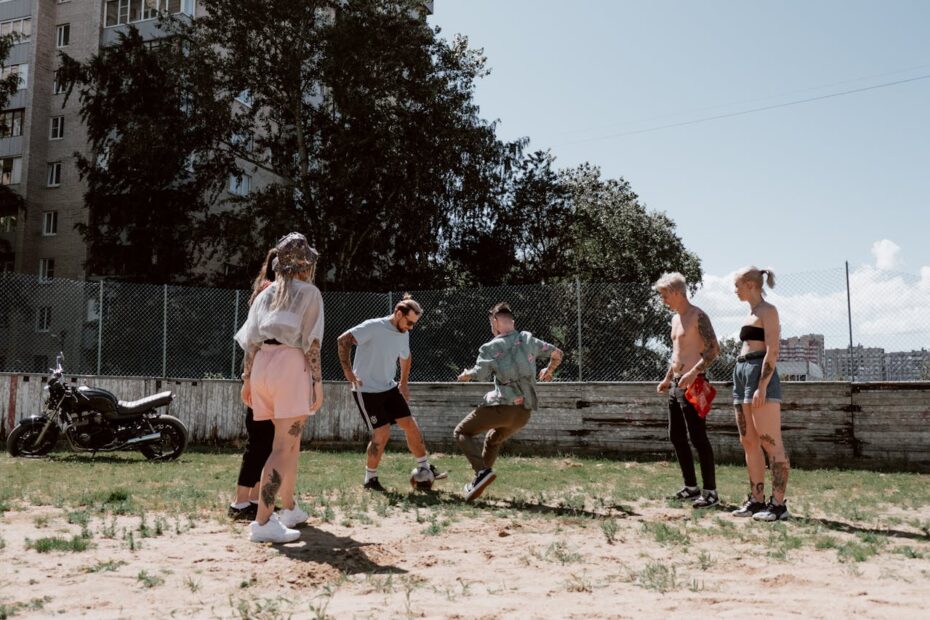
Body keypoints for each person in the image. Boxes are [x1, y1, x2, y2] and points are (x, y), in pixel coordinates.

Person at [235, 232, 325, 543]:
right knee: (282, 447)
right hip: (289, 366)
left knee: (290, 443)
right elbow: (312, 345)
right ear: (306, 265)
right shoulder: (309, 294)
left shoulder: (264, 294)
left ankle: (289, 508)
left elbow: (251, 342)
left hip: (262, 368)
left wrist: (247, 379)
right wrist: (317, 382)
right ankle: (263, 522)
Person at [455, 302, 562, 502]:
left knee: (461, 432)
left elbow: (480, 373)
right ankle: (479, 481)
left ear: (495, 322)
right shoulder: (529, 339)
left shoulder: (490, 347)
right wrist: (549, 370)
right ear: (511, 321)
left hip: (502, 407)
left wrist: (465, 375)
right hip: (523, 413)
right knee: (493, 439)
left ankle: (481, 473)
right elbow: (558, 354)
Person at [337, 294, 445, 492]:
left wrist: (403, 383)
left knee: (410, 425)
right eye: (409, 322)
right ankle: (370, 479)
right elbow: (343, 340)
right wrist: (347, 371)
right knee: (383, 431)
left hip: (389, 387)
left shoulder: (404, 332)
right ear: (398, 313)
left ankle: (424, 466)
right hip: (366, 389)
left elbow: (406, 356)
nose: (411, 327)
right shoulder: (373, 326)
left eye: (414, 324)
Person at [655, 272, 721, 509]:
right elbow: (677, 355)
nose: (663, 300)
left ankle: (711, 492)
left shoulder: (698, 316)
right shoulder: (675, 319)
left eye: (664, 296)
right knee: (676, 436)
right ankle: (691, 487)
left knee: (698, 437)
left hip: (694, 383)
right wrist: (667, 379)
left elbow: (714, 350)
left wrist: (693, 373)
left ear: (676, 292)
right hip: (675, 385)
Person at [730, 266, 790, 521]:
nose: (735, 291)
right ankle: (756, 500)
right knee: (749, 441)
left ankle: (778, 506)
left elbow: (772, 350)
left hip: (759, 374)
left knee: (770, 441)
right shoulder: (750, 312)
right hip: (742, 373)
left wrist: (762, 385)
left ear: (750, 284)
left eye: (737, 286)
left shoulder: (769, 311)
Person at [228, 248, 277, 521]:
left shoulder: (266, 290)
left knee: (266, 442)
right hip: (259, 371)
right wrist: (247, 377)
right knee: (259, 440)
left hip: (261, 371)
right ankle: (240, 502)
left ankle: (254, 500)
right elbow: (253, 341)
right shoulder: (268, 292)